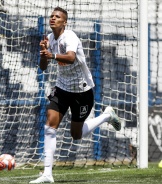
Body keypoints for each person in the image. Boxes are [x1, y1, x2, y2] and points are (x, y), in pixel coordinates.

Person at [29, 7, 121, 183]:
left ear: (64, 22)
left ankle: (107, 116)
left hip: (81, 91)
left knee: (76, 135)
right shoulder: (48, 39)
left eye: (57, 17)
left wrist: (52, 55)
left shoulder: (70, 36)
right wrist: (43, 54)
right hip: (62, 88)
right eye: (52, 16)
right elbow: (43, 67)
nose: (53, 18)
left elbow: (70, 57)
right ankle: (47, 174)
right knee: (50, 124)